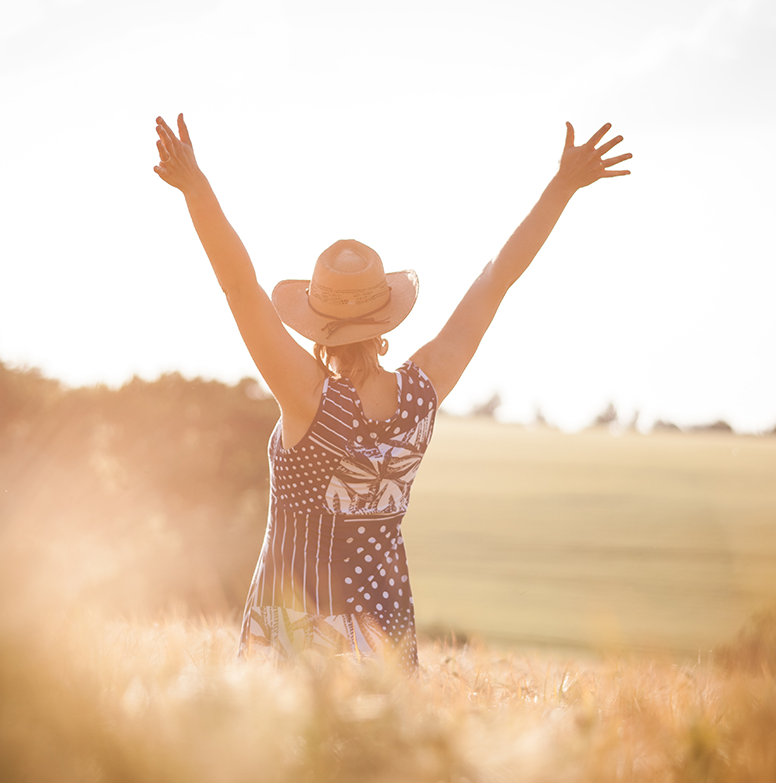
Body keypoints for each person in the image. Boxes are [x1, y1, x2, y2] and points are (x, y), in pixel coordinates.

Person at [153, 114, 631, 673]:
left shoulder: (307, 397)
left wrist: (196, 187)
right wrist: (562, 186)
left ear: (314, 323)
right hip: (384, 628)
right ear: (385, 320)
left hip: (300, 628)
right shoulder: (422, 390)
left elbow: (239, 286)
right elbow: (495, 279)